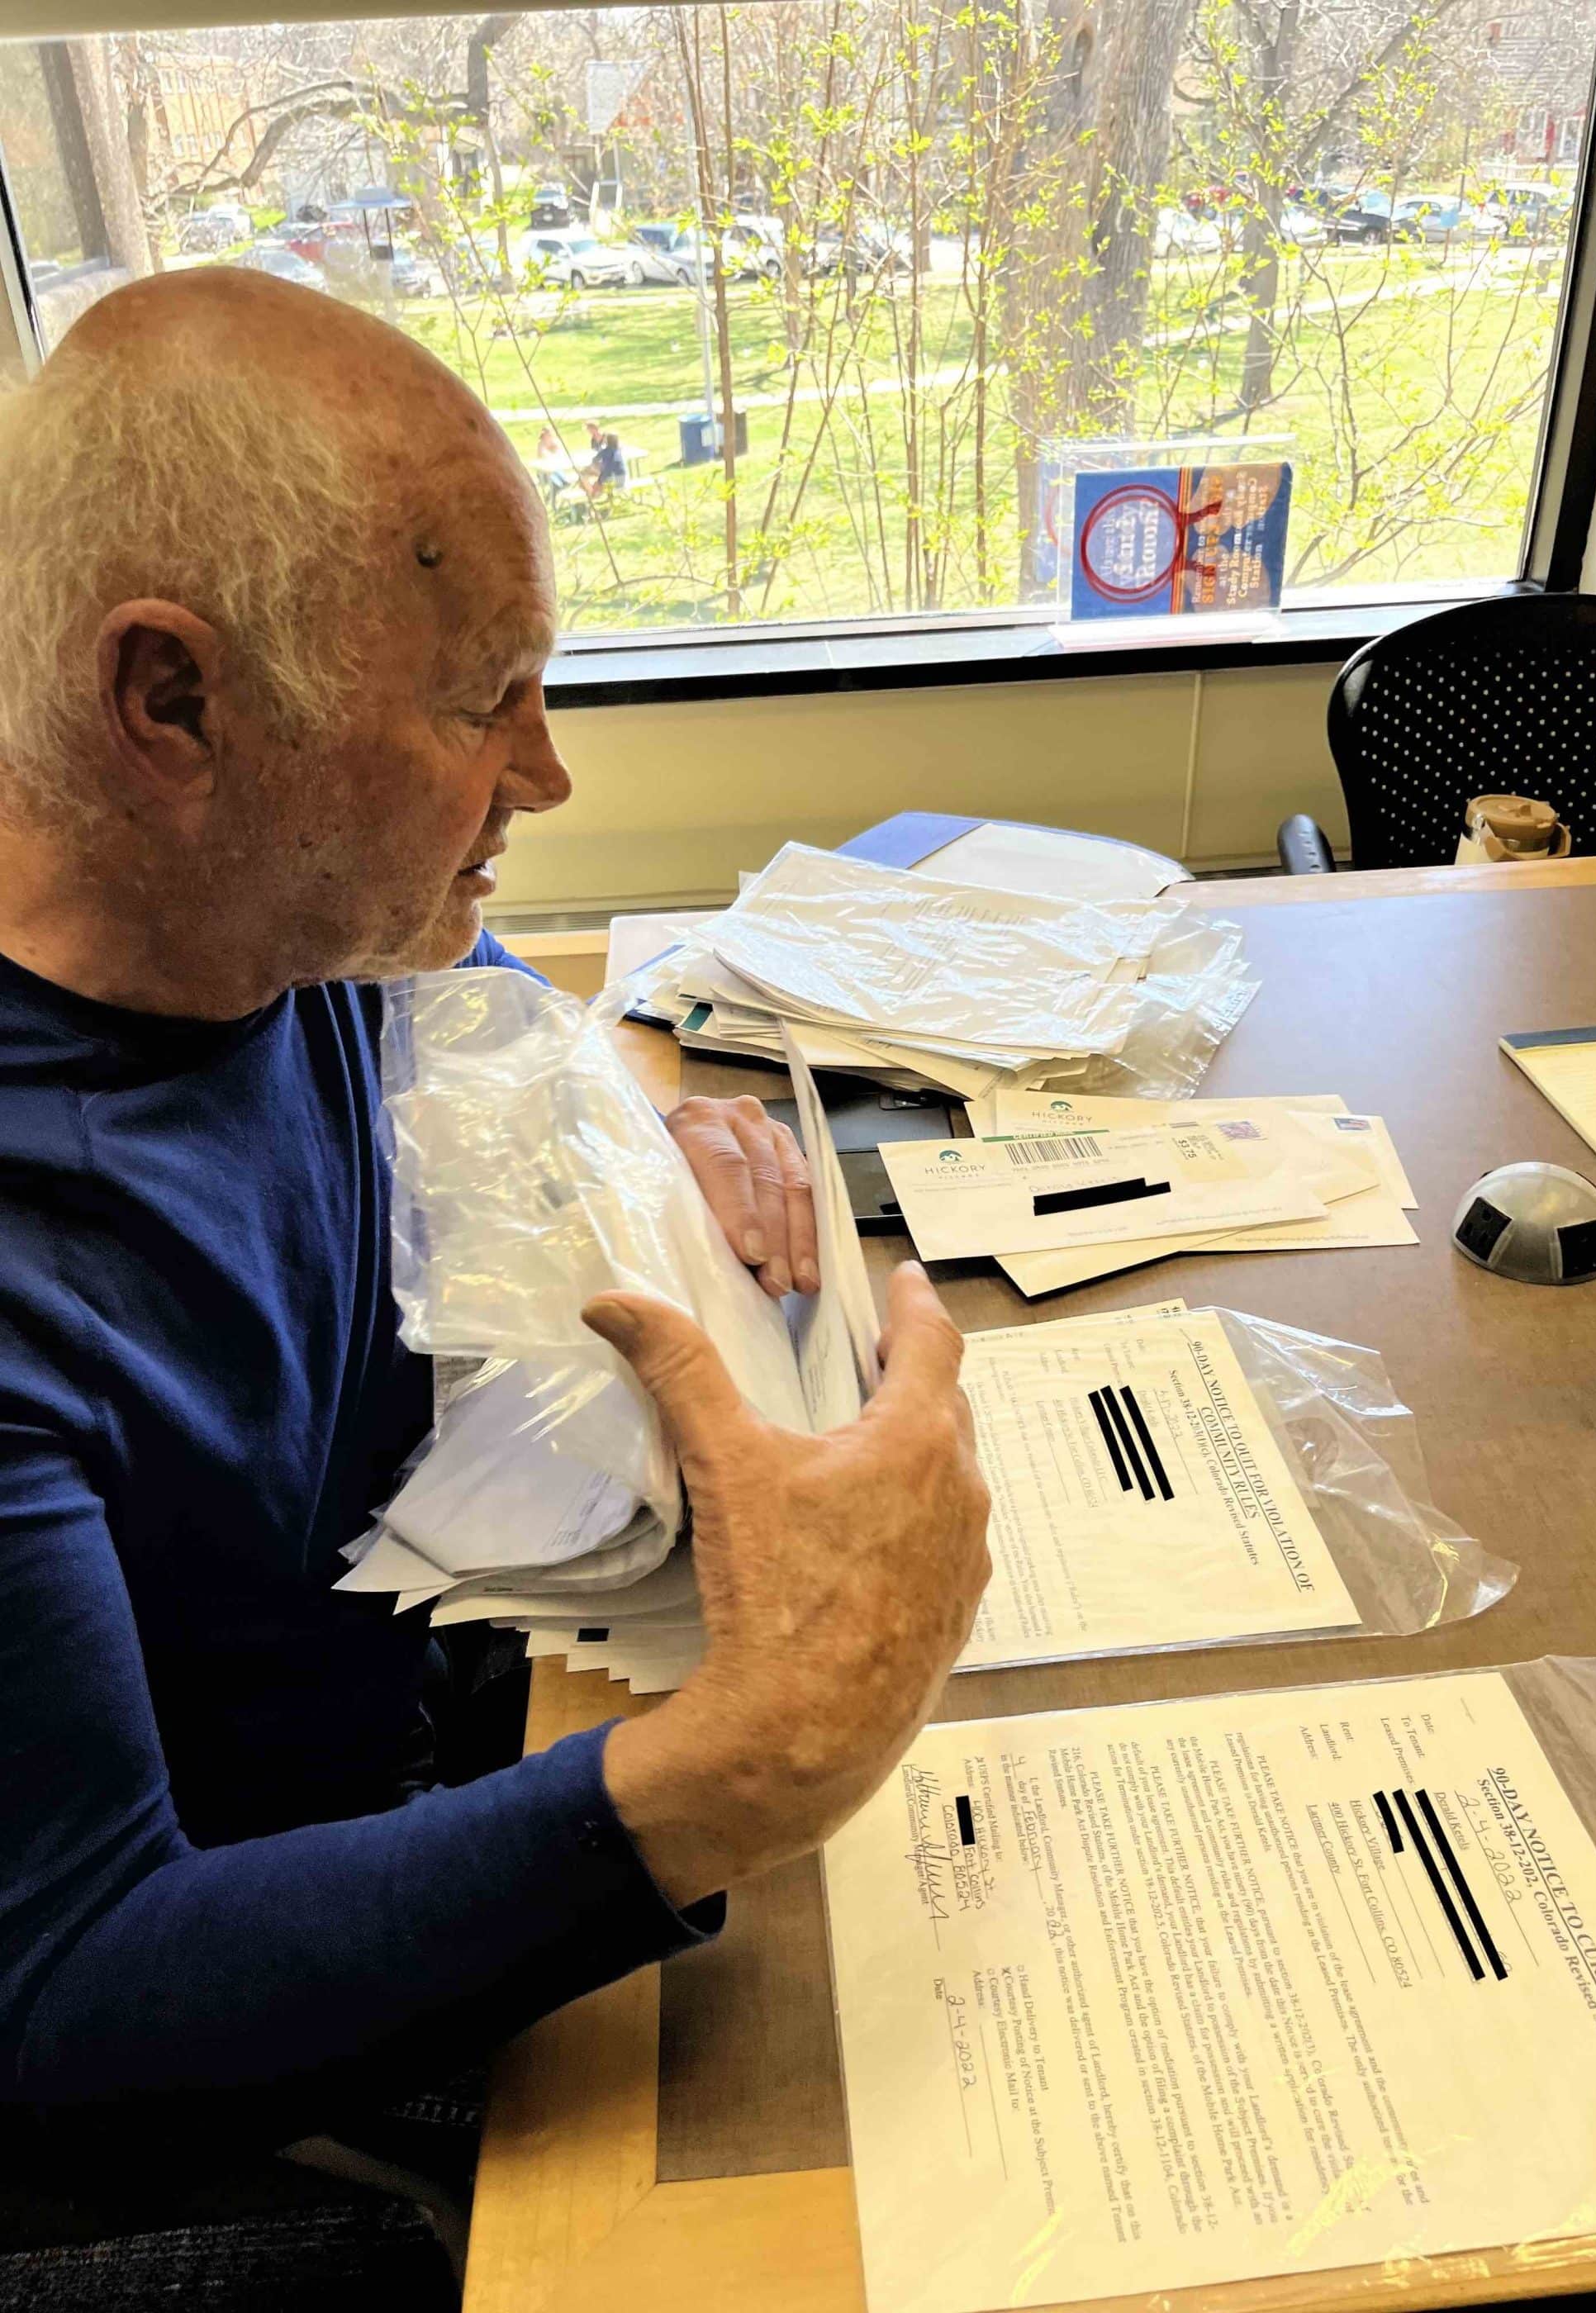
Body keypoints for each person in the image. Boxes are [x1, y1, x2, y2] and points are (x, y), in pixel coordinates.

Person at [0, 270, 990, 2242]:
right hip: (205, 2044)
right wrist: (751, 1758)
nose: (545, 775)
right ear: (171, 704)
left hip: (434, 1727)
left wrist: (632, 1130)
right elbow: (67, 2005)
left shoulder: (266, 915)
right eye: (477, 703)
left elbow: (479, 1000)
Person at [578, 416, 627, 501]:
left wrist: (600, 479)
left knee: (589, 477)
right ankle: (592, 492)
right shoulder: (594, 440)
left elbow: (599, 461)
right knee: (583, 474)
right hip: (612, 472)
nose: (589, 432)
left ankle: (593, 496)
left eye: (590, 429)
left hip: (608, 474)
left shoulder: (606, 441)